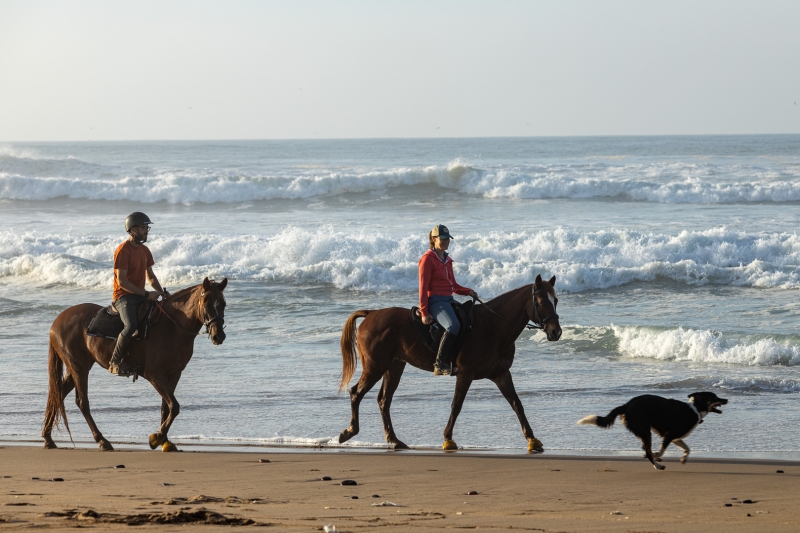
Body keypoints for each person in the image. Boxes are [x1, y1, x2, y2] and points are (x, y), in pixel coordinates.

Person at [108, 212, 169, 377]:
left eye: (147, 227)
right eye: (144, 227)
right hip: (123, 297)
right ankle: (114, 362)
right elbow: (122, 282)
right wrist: (146, 294)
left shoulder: (145, 251)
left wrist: (161, 292)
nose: (147, 230)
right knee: (131, 325)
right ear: (133, 230)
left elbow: (150, 277)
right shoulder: (123, 250)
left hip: (141, 295)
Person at [418, 224, 478, 376]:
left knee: (471, 319)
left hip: (449, 300)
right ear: (434, 239)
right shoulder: (427, 260)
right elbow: (423, 288)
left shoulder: (447, 260)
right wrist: (424, 312)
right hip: (435, 302)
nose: (446, 241)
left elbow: (454, 286)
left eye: (447, 239)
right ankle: (439, 364)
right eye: (442, 238)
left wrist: (468, 292)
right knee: (453, 326)